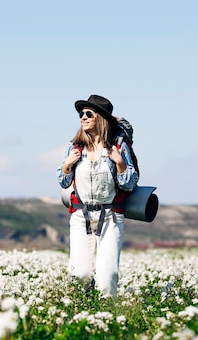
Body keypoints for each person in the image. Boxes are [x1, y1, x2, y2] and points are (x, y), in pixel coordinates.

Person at [56, 94, 138, 297]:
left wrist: (119, 163)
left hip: (110, 216)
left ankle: (107, 318)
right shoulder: (75, 147)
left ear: (100, 118)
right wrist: (67, 164)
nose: (83, 117)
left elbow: (129, 184)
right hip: (80, 216)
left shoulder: (118, 147)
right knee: (80, 273)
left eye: (88, 113)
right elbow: (63, 181)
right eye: (81, 114)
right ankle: (84, 306)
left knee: (107, 274)